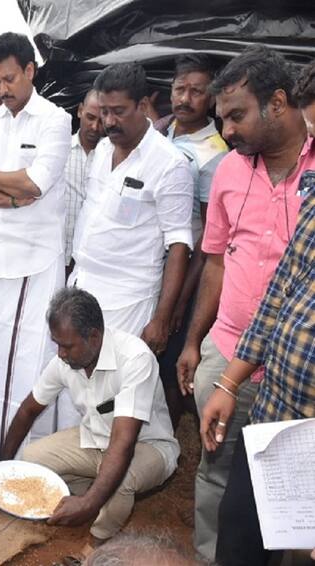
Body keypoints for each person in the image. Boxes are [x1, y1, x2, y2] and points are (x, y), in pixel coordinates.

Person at [175, 45, 309, 563]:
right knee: (217, 472)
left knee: (296, 493)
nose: (227, 131)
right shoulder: (229, 171)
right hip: (227, 354)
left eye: (237, 116)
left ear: (278, 102)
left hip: (298, 372)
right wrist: (194, 341)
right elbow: (215, 262)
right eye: (222, 119)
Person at [0, 32, 75, 461]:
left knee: (30, 358)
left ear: (30, 71)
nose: (1, 89)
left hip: (36, 261)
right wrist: (7, 193)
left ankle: (27, 454)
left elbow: (37, 183)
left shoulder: (55, 120)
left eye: (9, 79)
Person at [0, 289, 178, 558]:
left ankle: (95, 546)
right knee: (32, 458)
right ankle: (96, 496)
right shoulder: (66, 360)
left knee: (122, 479)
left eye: (67, 346)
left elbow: (124, 443)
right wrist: (2, 468)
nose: (60, 353)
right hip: (96, 440)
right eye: (56, 344)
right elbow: (28, 410)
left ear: (94, 337)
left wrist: (89, 504)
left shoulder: (135, 359)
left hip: (146, 447)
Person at [70, 62, 194, 353]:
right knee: (76, 386)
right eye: (104, 111)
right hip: (81, 286)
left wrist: (161, 320)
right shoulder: (102, 150)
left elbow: (178, 245)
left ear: (142, 105)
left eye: (118, 111)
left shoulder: (169, 163)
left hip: (127, 301)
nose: (109, 121)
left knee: (112, 391)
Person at [155, 54, 229, 427]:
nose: (185, 98)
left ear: (212, 98)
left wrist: (181, 299)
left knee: (169, 365)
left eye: (196, 91)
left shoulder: (215, 154)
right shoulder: (160, 133)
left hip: (184, 271)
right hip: (151, 265)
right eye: (179, 89)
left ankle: (165, 442)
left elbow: (208, 239)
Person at [62, 90, 102, 277]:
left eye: (101, 120)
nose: (95, 127)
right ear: (79, 111)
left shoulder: (111, 158)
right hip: (57, 256)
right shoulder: (59, 150)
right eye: (90, 117)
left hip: (91, 261)